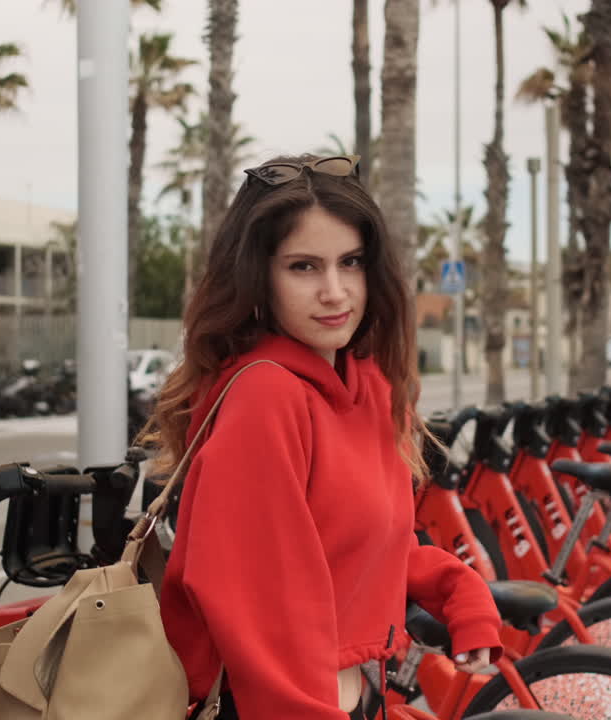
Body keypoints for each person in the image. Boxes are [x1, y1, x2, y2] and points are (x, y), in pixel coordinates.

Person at [145, 154, 501, 720]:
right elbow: (247, 604)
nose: (335, 291)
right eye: (304, 267)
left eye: (350, 262)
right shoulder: (267, 397)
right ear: (258, 276)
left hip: (355, 693)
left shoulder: (367, 386)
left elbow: (362, 544)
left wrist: (459, 593)